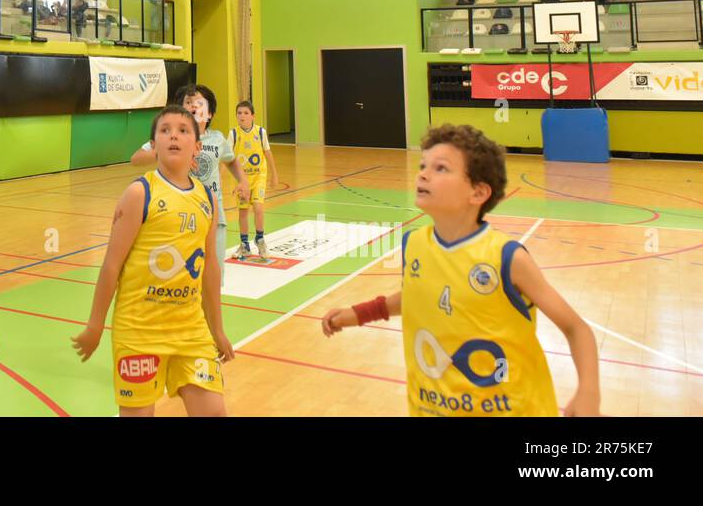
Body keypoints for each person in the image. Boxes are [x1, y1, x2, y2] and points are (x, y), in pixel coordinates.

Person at [321, 124, 599, 417]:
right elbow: (418, 297)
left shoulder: (507, 258)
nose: (423, 174)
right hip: (430, 408)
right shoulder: (413, 244)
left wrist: (588, 394)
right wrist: (359, 313)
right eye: (423, 165)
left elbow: (576, 329)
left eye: (441, 168)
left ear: (478, 192)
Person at [72, 104, 233, 416]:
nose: (174, 135)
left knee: (214, 411)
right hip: (139, 331)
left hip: (190, 331)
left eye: (183, 130)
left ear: (197, 147)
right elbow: (111, 266)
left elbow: (210, 268)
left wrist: (218, 329)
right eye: (165, 130)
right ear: (154, 145)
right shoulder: (138, 193)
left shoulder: (208, 199)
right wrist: (95, 324)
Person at [130, 84, 248, 288]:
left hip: (213, 218)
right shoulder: (171, 137)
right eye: (188, 103)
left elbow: (231, 161)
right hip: (180, 218)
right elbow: (136, 159)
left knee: (212, 281)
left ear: (209, 113)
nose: (193, 106)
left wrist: (243, 181)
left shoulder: (218, 139)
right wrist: (164, 152)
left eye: (199, 103)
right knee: (180, 280)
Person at [229, 101, 279, 261]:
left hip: (259, 177)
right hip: (242, 180)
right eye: (239, 113)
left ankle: (260, 238)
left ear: (252, 116)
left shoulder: (260, 132)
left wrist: (274, 174)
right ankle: (244, 245)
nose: (242, 116)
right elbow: (227, 158)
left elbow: (268, 153)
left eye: (245, 113)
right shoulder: (233, 134)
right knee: (243, 212)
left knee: (258, 208)